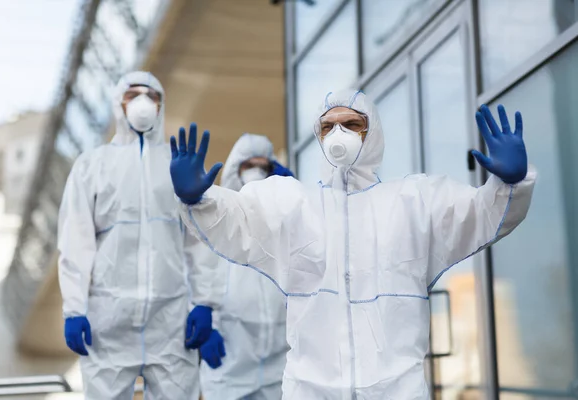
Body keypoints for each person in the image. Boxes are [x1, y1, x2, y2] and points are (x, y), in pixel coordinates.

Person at [169, 90, 536, 399]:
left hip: (397, 389)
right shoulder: (295, 204)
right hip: (311, 389)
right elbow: (239, 215)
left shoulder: (413, 201)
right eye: (328, 126)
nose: (338, 133)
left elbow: (475, 215)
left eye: (351, 124)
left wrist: (508, 186)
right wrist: (198, 201)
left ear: (370, 132)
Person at [58, 71, 220, 399]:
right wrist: (74, 308)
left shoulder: (177, 164)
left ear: (161, 105)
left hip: (170, 321)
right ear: (119, 103)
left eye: (152, 95)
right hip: (109, 321)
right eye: (133, 94)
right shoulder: (92, 165)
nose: (143, 102)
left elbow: (199, 241)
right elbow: (76, 241)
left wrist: (204, 302)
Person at [198, 133, 293, 400]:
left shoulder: (282, 221)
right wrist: (206, 324)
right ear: (234, 170)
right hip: (231, 354)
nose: (257, 172)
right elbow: (197, 272)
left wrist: (297, 196)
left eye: (264, 167)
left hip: (278, 358)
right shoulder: (218, 216)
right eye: (249, 165)